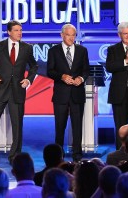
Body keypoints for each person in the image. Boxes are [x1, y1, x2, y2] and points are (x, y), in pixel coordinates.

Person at [0, 20, 38, 164]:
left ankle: (15, 155)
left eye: (21, 30)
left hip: (17, 90)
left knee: (17, 124)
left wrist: (28, 80)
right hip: (0, 89)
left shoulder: (27, 48)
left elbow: (34, 66)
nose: (20, 33)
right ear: (9, 32)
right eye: (17, 30)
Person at [47, 24, 89, 162]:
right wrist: (62, 77)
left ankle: (77, 155)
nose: (71, 38)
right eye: (68, 35)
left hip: (77, 93)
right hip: (61, 95)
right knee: (60, 126)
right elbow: (50, 71)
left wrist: (81, 79)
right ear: (62, 35)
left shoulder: (82, 50)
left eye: (73, 35)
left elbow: (86, 70)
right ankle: (58, 155)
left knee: (77, 126)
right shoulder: (53, 51)